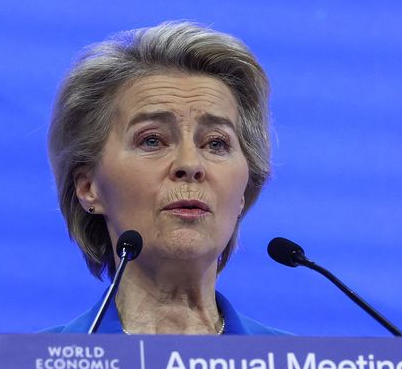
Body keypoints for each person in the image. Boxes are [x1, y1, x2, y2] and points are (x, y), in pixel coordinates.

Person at [46, 21, 287, 335]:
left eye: (216, 143)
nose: (190, 164)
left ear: (244, 191)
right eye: (152, 140)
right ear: (88, 188)